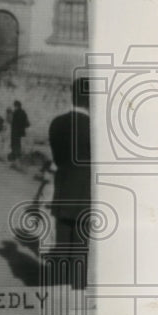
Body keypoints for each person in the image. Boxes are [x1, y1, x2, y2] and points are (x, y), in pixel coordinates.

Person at [48, 79, 91, 280]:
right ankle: (76, 293)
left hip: (63, 190)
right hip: (85, 195)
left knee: (62, 245)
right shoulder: (95, 128)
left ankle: (59, 292)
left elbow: (57, 158)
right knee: (80, 249)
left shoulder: (57, 123)